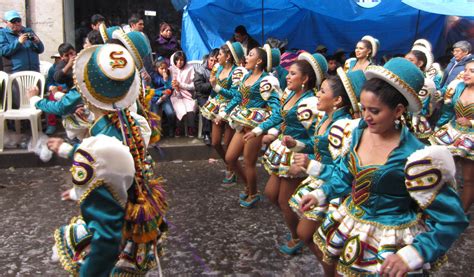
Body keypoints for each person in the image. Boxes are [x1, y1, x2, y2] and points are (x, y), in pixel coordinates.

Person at [299, 58, 468, 276]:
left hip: (390, 242)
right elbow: (344, 175)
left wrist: (415, 253)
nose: (366, 117)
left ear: (398, 111)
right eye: (363, 108)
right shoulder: (356, 132)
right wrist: (322, 193)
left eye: (375, 111)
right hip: (350, 224)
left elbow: (451, 219)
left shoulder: (416, 159)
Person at [47, 43, 167, 276]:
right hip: (137, 216)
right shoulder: (137, 124)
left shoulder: (97, 149)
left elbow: (105, 238)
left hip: (121, 235)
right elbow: (122, 174)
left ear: (85, 94)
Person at [287, 68, 364, 272]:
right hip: (321, 180)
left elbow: (343, 171)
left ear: (337, 100)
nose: (317, 95)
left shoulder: (342, 126)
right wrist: (298, 147)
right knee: (312, 236)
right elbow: (319, 147)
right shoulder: (325, 118)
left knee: (311, 236)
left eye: (322, 92)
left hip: (334, 187)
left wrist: (309, 164)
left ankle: (332, 271)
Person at [253, 52, 327, 255]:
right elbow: (279, 115)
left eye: (292, 73)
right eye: (288, 72)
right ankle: (296, 226)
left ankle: (299, 236)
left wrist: (298, 145)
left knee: (285, 202)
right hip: (282, 150)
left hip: (296, 155)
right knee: (270, 194)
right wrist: (260, 131)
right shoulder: (289, 94)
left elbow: (318, 139)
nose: (287, 76)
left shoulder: (310, 104)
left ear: (305, 79)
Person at [224, 46, 280, 208]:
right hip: (242, 123)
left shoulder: (266, 81)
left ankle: (253, 193)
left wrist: (263, 130)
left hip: (255, 127)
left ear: (260, 61)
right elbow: (237, 97)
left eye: (250, 55)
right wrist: (224, 112)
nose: (246, 57)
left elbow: (277, 110)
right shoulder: (246, 76)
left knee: (249, 163)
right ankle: (248, 185)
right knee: (230, 158)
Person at [430, 60, 474, 213]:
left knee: (469, 179)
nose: (466, 73)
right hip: (453, 132)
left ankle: (460, 214)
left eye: (472, 71)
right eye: (466, 70)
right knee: (443, 171)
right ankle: (440, 208)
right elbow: (448, 110)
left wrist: (471, 122)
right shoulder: (459, 86)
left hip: (472, 138)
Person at [208, 41, 246, 184]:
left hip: (231, 108)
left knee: (227, 144)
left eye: (220, 55)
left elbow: (234, 95)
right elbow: (214, 89)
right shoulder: (218, 68)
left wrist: (216, 87)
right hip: (217, 107)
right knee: (216, 142)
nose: (217, 58)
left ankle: (231, 168)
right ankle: (230, 164)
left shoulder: (237, 72)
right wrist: (211, 99)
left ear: (228, 56)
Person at [0, 10, 45, 108]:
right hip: (16, 74)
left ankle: (34, 122)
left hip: (33, 73)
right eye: (13, 21)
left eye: (18, 20)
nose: (17, 23)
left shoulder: (28, 31)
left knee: (34, 102)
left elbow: (40, 49)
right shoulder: (3, 34)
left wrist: (37, 42)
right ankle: (20, 123)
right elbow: (3, 51)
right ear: (6, 22)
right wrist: (18, 42)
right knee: (19, 103)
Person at [194, 49, 219, 145]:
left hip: (218, 95)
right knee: (207, 108)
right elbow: (199, 87)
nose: (212, 63)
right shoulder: (200, 69)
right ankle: (206, 133)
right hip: (203, 95)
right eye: (211, 60)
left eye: (215, 61)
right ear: (208, 59)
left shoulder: (221, 70)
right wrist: (212, 84)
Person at [169, 51, 196, 137]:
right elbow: (168, 84)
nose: (179, 62)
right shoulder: (171, 69)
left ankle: (191, 128)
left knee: (190, 107)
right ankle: (178, 128)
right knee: (179, 107)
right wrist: (175, 87)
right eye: (177, 60)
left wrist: (181, 85)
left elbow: (193, 86)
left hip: (187, 94)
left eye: (181, 60)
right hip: (175, 94)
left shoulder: (190, 69)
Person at [150, 57, 175, 137]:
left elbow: (170, 88)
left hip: (165, 98)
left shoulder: (169, 76)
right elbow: (151, 90)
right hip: (155, 98)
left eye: (165, 68)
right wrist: (160, 92)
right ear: (157, 69)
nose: (164, 70)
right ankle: (155, 134)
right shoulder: (152, 77)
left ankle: (171, 129)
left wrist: (166, 80)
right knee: (154, 114)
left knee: (170, 113)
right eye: (162, 68)